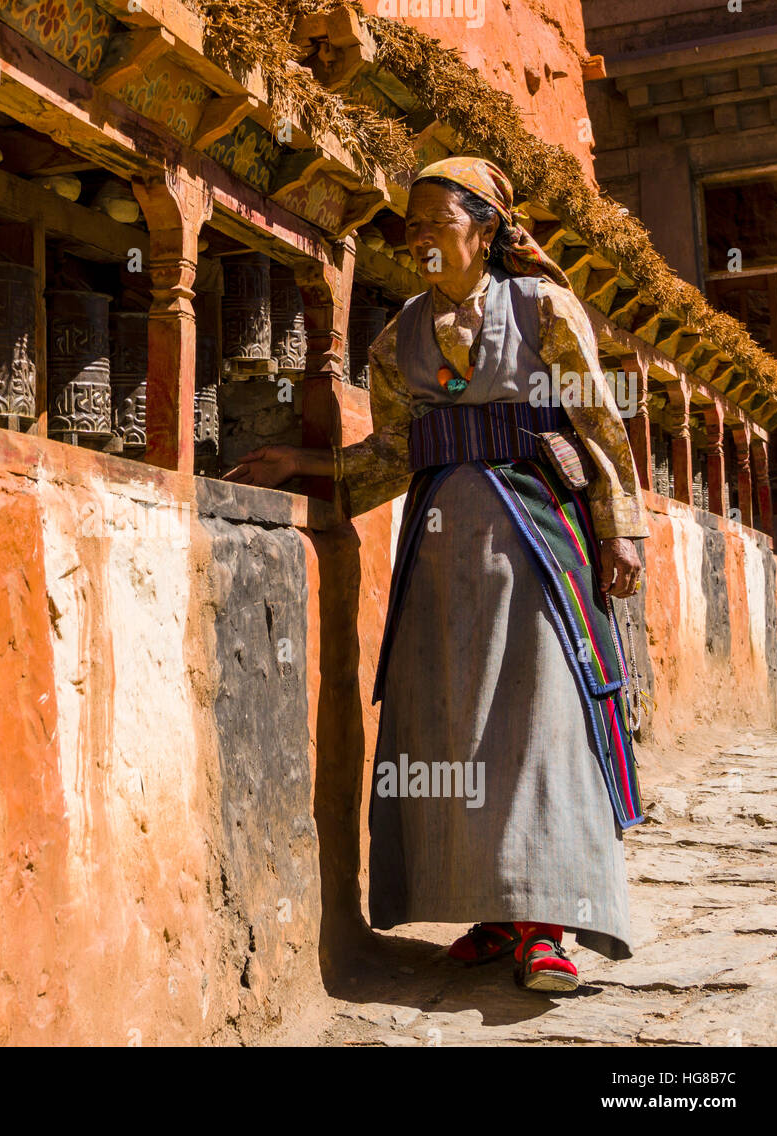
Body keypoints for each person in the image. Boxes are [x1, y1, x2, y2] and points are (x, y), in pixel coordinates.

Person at [223, 156, 649, 993]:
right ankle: (492, 916)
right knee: (451, 728)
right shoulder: (400, 336)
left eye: (435, 222)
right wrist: (304, 462)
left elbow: (600, 420)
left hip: (534, 545)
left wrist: (621, 531)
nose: (417, 238)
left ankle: (546, 924)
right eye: (408, 227)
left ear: (486, 229)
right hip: (439, 553)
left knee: (537, 720)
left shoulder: (545, 309)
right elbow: (392, 455)